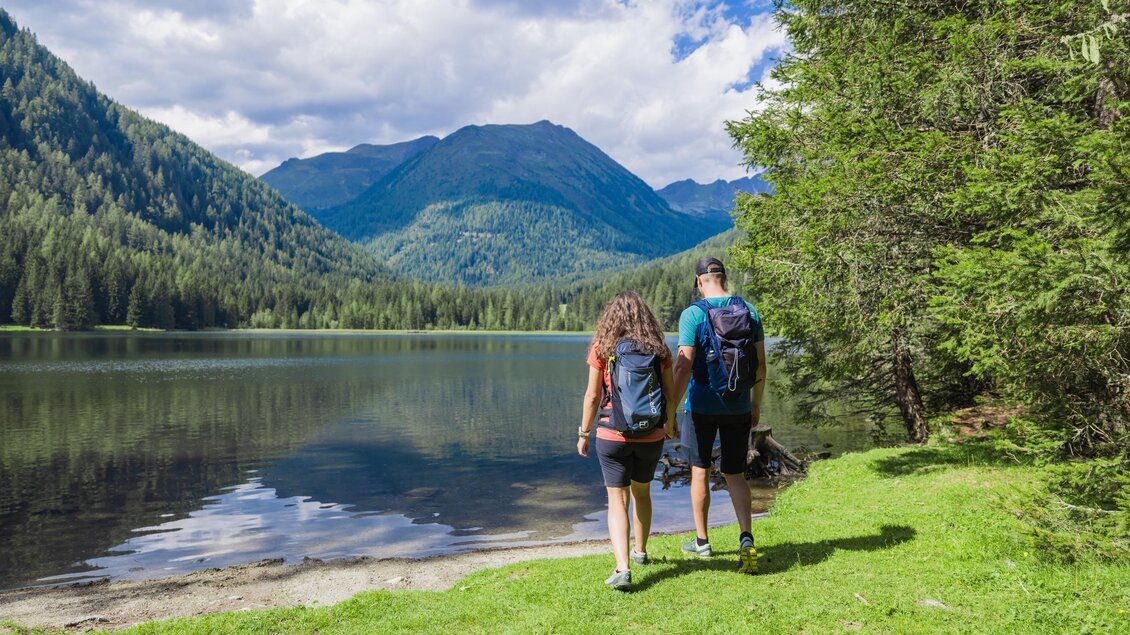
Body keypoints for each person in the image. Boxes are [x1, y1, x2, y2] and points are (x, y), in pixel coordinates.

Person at [577, 291, 678, 590]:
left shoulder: (603, 348)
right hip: (651, 436)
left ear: (610, 318)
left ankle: (623, 567)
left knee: (616, 500)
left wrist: (584, 433)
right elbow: (670, 396)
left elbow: (593, 396)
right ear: (646, 317)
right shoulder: (659, 350)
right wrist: (670, 427)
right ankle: (641, 551)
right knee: (642, 493)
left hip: (612, 435)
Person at [672, 256, 766, 574]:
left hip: (700, 407)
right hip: (739, 405)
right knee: (735, 473)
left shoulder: (693, 314)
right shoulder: (749, 311)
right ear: (724, 277)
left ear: (699, 281)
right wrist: (756, 404)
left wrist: (670, 408)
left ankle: (702, 542)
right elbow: (761, 365)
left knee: (700, 471)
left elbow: (683, 365)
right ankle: (746, 539)